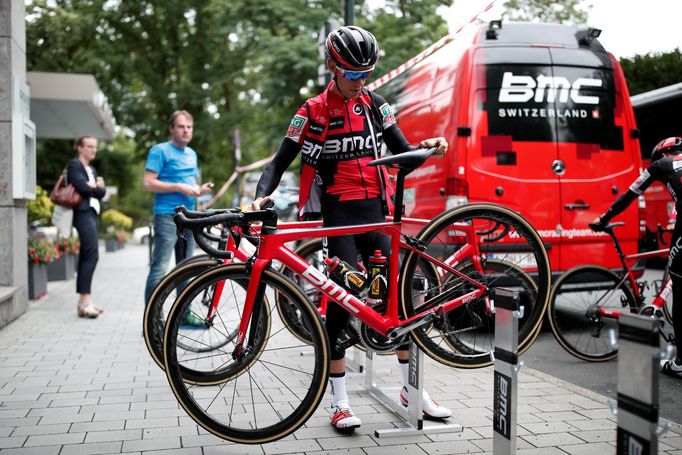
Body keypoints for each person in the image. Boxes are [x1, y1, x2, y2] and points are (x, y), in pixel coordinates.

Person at [251, 26, 451, 432]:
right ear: (332, 67)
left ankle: (412, 391)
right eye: (353, 75)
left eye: (367, 74)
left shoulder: (377, 106)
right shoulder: (309, 112)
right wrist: (260, 196)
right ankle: (338, 402)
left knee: (398, 301)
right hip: (339, 216)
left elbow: (403, 155)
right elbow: (279, 162)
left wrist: (425, 149)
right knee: (341, 303)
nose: (361, 83)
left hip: (378, 211)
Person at [592, 136, 682, 378]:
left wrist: (604, 219)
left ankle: (680, 362)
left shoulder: (661, 165)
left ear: (663, 153)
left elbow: (630, 194)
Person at [142, 110, 213, 314]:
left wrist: (199, 190)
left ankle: (184, 315)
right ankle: (153, 320)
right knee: (159, 270)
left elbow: (191, 184)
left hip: (189, 217)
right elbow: (148, 183)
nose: (185, 131)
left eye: (189, 127)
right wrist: (179, 187)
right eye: (181, 127)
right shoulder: (160, 150)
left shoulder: (192, 154)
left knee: (186, 269)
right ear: (172, 129)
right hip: (167, 216)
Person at [66, 136, 106, 318]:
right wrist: (93, 187)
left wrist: (95, 187)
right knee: (92, 254)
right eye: (89, 146)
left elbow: (101, 192)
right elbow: (82, 188)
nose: (93, 150)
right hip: (81, 214)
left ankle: (84, 302)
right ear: (79, 148)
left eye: (95, 147)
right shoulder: (74, 165)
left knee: (86, 255)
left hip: (91, 213)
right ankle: (85, 300)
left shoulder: (91, 169)